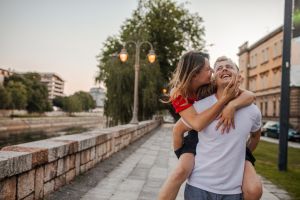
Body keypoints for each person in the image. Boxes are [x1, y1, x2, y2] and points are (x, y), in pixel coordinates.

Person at [158, 52, 262, 200]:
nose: (213, 72)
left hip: (225, 138)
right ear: (195, 74)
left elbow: (250, 95)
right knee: (180, 172)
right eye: (209, 69)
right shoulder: (179, 94)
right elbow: (190, 126)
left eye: (228, 67)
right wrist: (181, 155)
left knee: (254, 189)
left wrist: (231, 105)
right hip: (197, 129)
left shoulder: (212, 85)